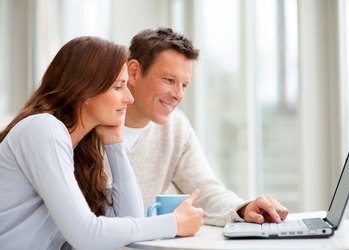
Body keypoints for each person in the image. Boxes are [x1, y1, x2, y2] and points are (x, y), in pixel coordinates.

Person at [0, 36, 204, 250]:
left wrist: (115, 144)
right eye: (118, 87)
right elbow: (87, 235)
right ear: (85, 90)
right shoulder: (43, 129)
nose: (129, 98)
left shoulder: (77, 147)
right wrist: (172, 223)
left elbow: (129, 219)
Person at [123, 27, 289, 227]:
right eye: (169, 80)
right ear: (133, 72)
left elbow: (205, 192)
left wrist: (244, 208)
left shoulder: (176, 126)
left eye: (184, 85)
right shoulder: (90, 124)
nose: (178, 95)